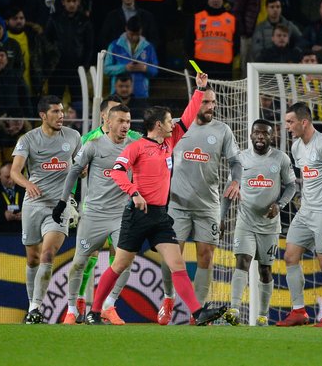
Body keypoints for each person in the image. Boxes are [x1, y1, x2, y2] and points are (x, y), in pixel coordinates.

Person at [85, 73, 227, 326]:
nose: (174, 124)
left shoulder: (169, 142)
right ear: (158, 125)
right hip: (138, 215)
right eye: (169, 121)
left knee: (177, 264)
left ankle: (197, 313)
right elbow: (117, 171)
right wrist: (134, 193)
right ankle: (94, 311)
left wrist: (200, 89)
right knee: (119, 264)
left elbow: (189, 115)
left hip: (161, 216)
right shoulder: (136, 147)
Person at [159, 86, 242, 325]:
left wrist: (236, 180)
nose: (211, 107)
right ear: (195, 102)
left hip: (208, 206)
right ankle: (168, 297)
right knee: (171, 256)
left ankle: (197, 314)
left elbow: (236, 161)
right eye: (206, 102)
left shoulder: (222, 130)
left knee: (206, 256)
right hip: (177, 204)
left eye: (213, 102)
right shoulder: (176, 126)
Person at [54, 104, 136, 325]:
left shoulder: (134, 147)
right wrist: (63, 201)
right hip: (94, 215)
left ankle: (109, 305)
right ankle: (72, 310)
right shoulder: (93, 145)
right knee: (79, 262)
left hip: (121, 216)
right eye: (121, 121)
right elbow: (73, 172)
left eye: (128, 121)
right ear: (108, 121)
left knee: (125, 262)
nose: (125, 126)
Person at [276, 102, 322, 327]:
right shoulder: (296, 147)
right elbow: (309, 177)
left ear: (304, 122)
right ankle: (299, 311)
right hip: (306, 211)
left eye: (290, 122)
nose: (287, 126)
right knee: (290, 256)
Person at [10, 95, 82, 324]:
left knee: (48, 253)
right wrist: (28, 184)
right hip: (34, 204)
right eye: (55, 112)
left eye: (62, 111)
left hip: (59, 205)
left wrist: (81, 171)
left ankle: (35, 308)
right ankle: (32, 308)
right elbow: (15, 171)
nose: (61, 116)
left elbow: (81, 165)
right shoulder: (28, 139)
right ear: (43, 115)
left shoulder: (73, 136)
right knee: (32, 258)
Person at [222, 119, 296, 326]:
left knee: (265, 270)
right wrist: (221, 218)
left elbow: (292, 186)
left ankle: (262, 316)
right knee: (242, 261)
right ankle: (234, 310)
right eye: (257, 132)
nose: (261, 136)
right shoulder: (240, 159)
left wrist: (280, 205)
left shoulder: (281, 159)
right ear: (251, 135)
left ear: (272, 136)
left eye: (265, 133)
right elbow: (229, 190)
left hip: (269, 226)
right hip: (245, 221)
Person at [104, 15, 158, 99]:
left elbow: (155, 70)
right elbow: (106, 69)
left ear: (141, 30)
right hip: (118, 94)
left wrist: (145, 68)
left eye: (137, 34)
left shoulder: (148, 47)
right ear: (126, 29)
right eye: (131, 34)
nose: (134, 37)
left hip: (141, 94)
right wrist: (124, 68)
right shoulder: (114, 46)